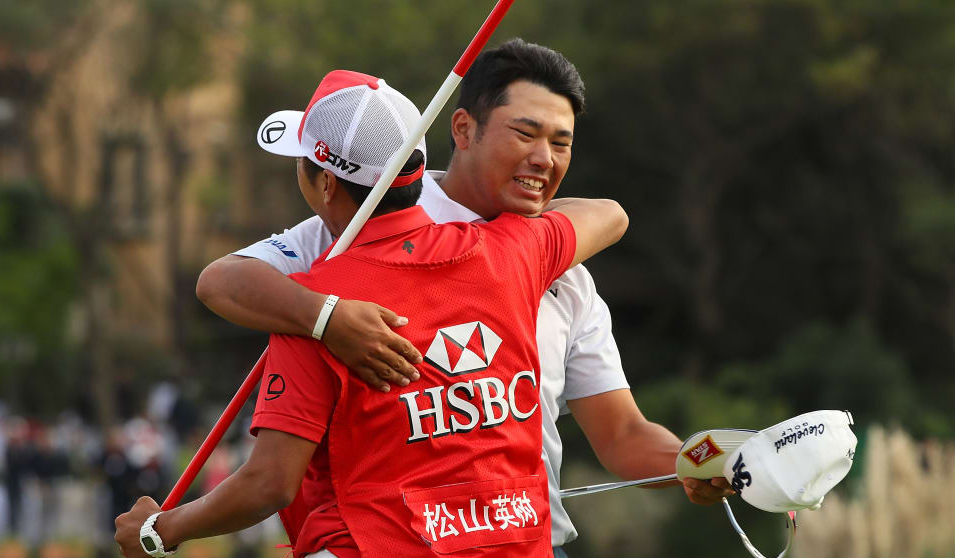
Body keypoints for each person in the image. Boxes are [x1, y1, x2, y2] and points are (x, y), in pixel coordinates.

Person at [194, 39, 733, 555]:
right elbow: (221, 281)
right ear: (463, 129)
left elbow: (623, 435)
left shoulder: (562, 268)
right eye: (525, 133)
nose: (543, 158)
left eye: (561, 142)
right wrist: (327, 316)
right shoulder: (364, 217)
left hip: (528, 544)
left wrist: (696, 461)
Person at [114, 69, 627, 557]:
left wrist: (160, 531)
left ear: (326, 184)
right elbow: (609, 214)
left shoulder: (305, 304)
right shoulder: (512, 252)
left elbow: (269, 484)